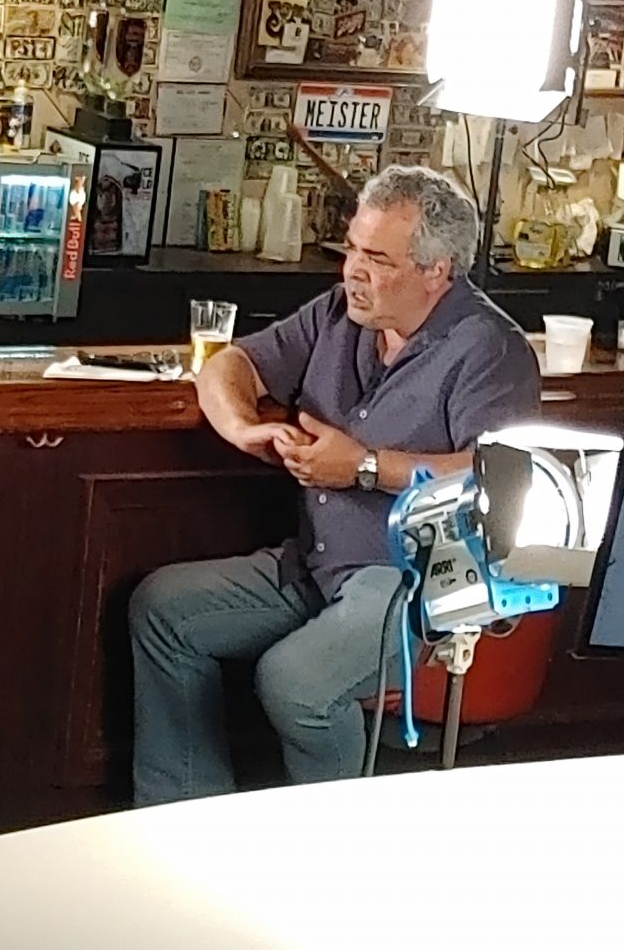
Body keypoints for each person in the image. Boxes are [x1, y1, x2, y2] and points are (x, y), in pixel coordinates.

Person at [129, 166, 540, 805]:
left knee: (295, 681)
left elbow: (502, 473)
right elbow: (230, 364)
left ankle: (331, 844)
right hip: (319, 562)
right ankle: (180, 817)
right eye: (351, 248)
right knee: (165, 609)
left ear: (437, 270)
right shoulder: (339, 314)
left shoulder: (489, 348)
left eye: (377, 258)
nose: (353, 269)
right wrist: (243, 428)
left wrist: (367, 466)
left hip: (415, 580)